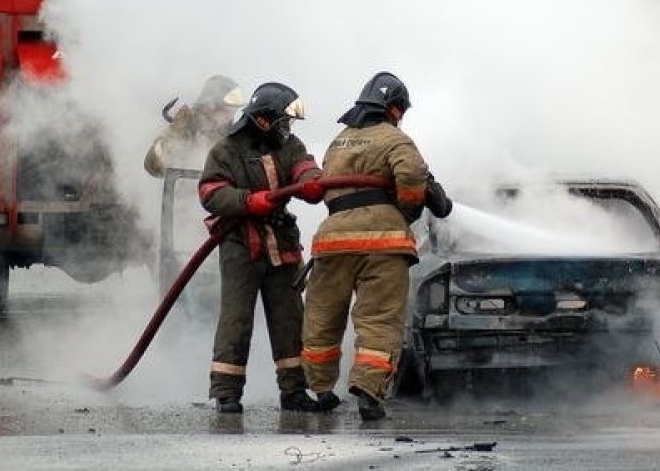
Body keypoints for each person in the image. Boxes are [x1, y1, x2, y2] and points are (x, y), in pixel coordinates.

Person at [301, 71, 453, 420]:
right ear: (395, 108)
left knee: (322, 316)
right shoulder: (395, 139)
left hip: (333, 240)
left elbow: (327, 185)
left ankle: (321, 390)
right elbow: (412, 177)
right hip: (382, 242)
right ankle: (369, 392)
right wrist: (407, 211)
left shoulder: (339, 141)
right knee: (379, 319)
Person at [197, 81, 325, 413]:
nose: (288, 127)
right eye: (284, 120)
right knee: (236, 318)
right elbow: (210, 192)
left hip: (281, 244)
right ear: (265, 119)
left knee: (289, 317)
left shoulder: (289, 144)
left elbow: (303, 165)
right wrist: (248, 201)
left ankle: (294, 391)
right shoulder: (226, 149)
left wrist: (311, 179)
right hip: (241, 244)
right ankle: (226, 393)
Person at [144, 74, 247, 177]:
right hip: (179, 191)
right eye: (227, 112)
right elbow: (153, 167)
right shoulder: (184, 127)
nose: (229, 117)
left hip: (213, 192)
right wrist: (174, 132)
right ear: (209, 106)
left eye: (233, 112)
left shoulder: (229, 138)